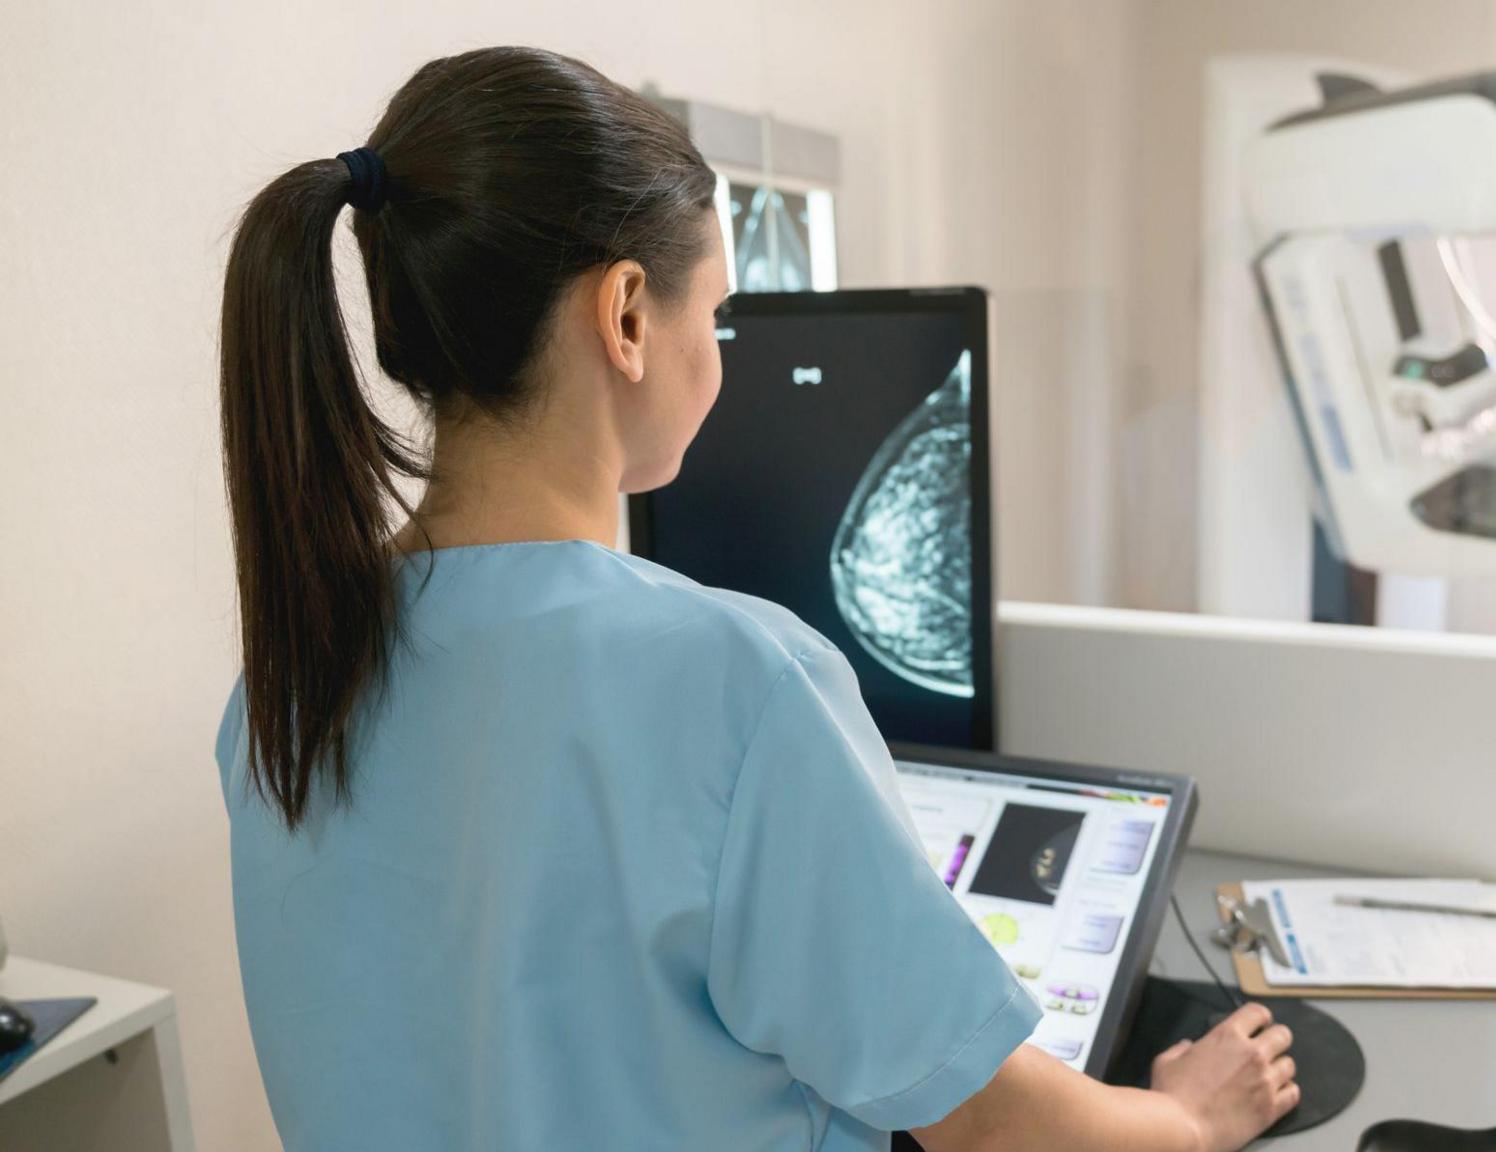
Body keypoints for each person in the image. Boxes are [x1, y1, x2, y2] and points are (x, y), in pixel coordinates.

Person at [214, 46, 1296, 1152]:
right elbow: (978, 1118)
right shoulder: (734, 683)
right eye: (717, 314)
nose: (719, 356)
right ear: (627, 315)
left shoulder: (282, 689)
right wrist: (1188, 1119)